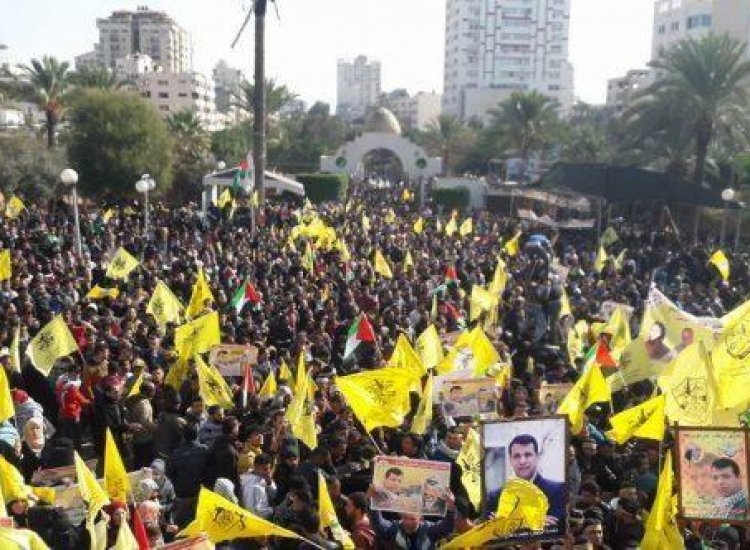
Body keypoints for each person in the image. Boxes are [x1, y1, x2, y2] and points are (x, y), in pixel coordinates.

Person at [486, 434, 566, 529]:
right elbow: (490, 530)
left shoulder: (557, 490)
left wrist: (507, 522)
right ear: (510, 460)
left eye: (527, 455)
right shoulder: (494, 497)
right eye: (517, 456)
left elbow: (555, 526)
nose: (522, 461)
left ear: (537, 457)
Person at [368, 484, 456, 549]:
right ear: (401, 516)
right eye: (406, 518)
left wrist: (450, 508)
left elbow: (447, 527)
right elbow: (378, 525)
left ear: (420, 518)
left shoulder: (429, 530)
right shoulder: (393, 529)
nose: (408, 522)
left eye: (412, 519)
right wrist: (372, 500)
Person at [240, 453, 277, 519]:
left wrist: (269, 483)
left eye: (269, 468)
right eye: (265, 469)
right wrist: (273, 510)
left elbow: (273, 495)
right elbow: (256, 512)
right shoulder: (253, 486)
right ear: (256, 467)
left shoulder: (263, 478)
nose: (268, 471)